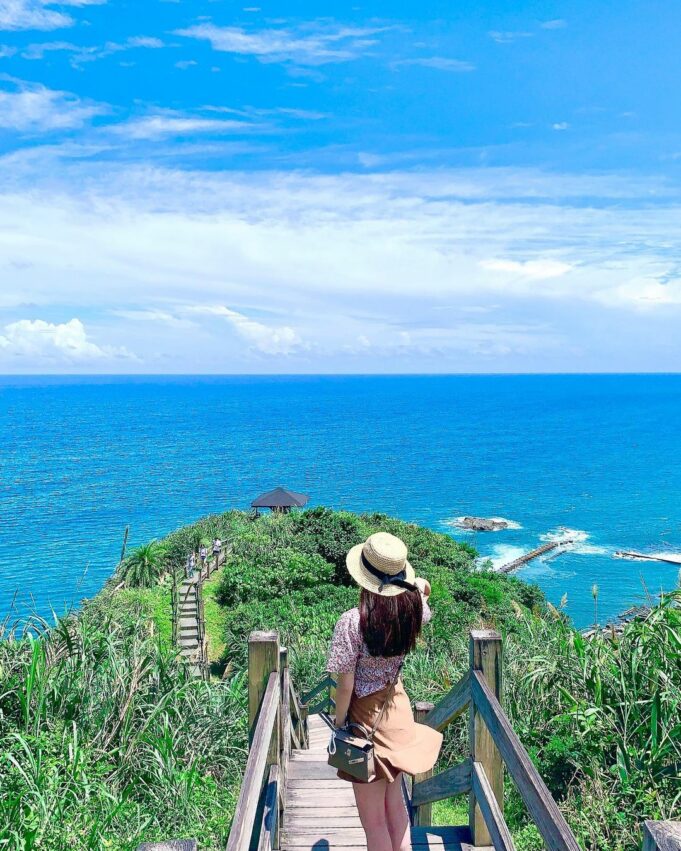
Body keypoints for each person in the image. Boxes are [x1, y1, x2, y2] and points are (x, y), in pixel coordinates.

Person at [326, 532, 442, 851]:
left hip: (366, 725)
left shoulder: (352, 622)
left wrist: (339, 724)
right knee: (396, 810)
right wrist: (419, 588)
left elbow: (346, 684)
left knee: (374, 822)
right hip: (398, 715)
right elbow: (425, 593)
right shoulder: (413, 610)